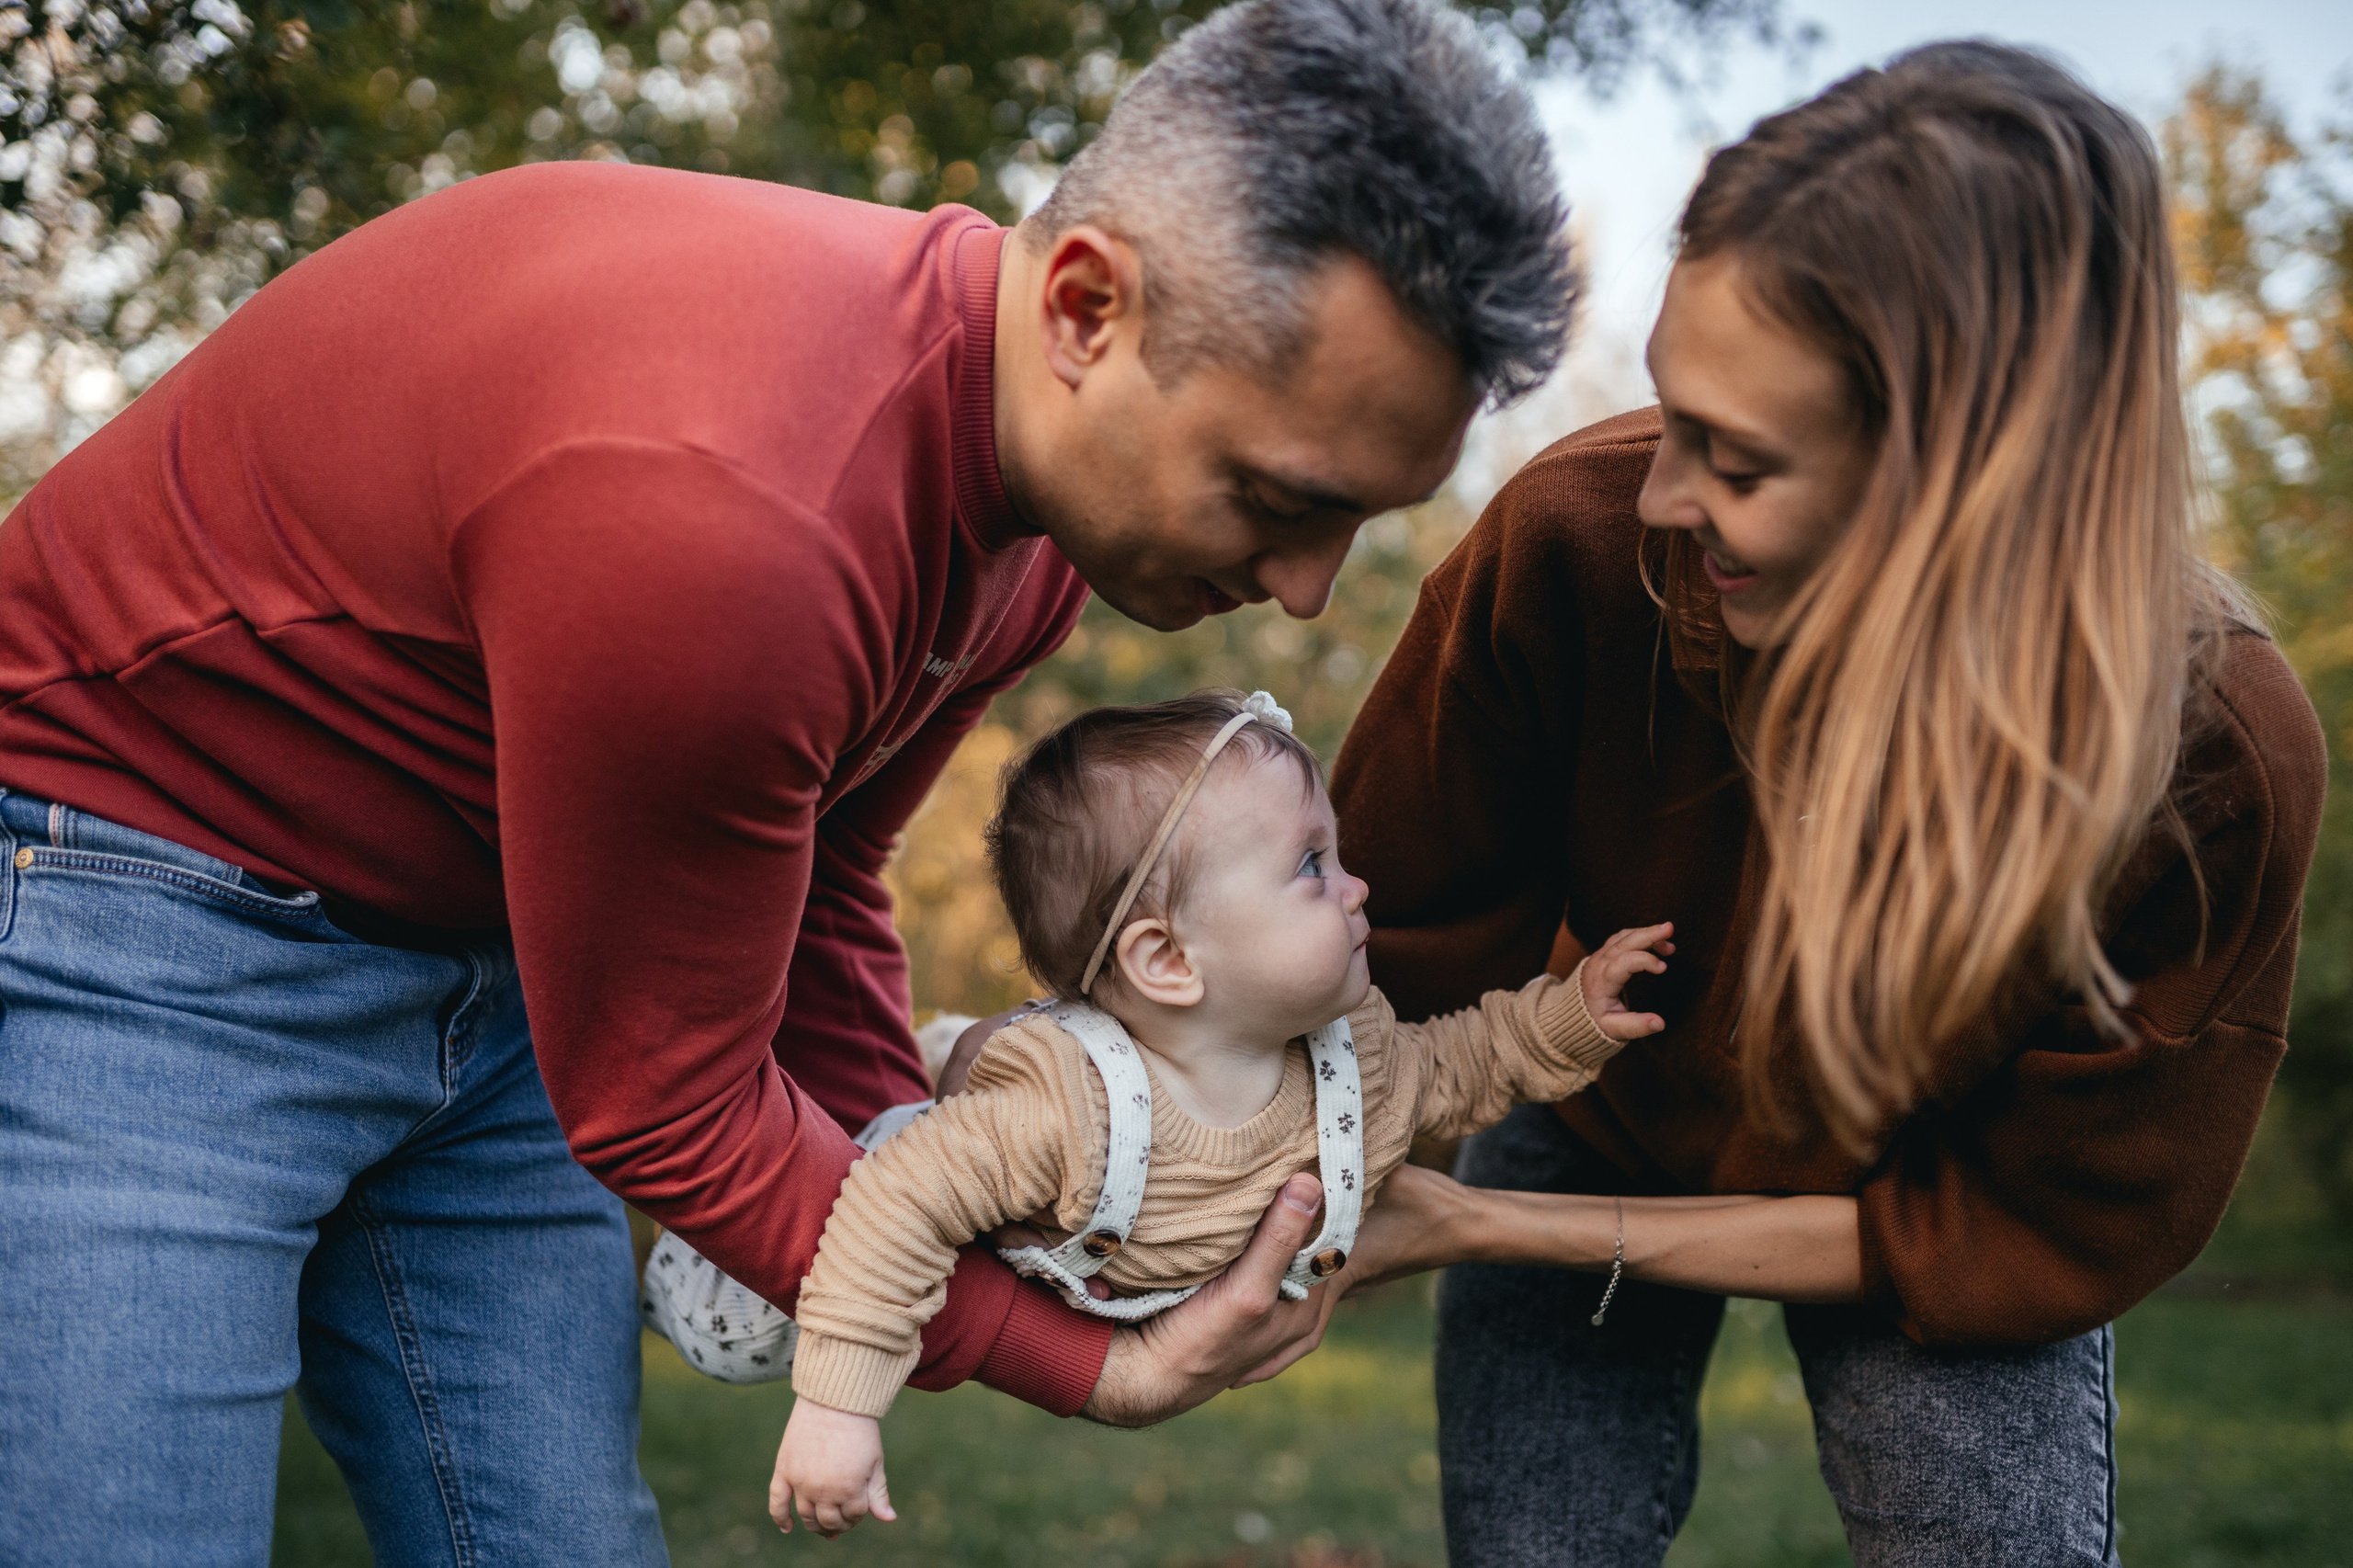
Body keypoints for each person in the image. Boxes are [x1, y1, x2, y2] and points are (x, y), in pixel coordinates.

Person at [0, 0, 1573, 1560]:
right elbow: (670, 1098)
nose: (1308, 588)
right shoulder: (741, 526)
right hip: (138, 906)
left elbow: (817, 878)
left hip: (492, 964)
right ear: (1089, 309)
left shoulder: (1023, 534)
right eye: (1278, 499)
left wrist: (958, 1187)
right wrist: (1086, 1360)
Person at [1327, 40, 2328, 1567]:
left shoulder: (2206, 763)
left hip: (1937, 1186)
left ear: (1970, 487)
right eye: (1672, 415)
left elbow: (2028, 1230)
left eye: (1739, 460)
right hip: (1595, 1096)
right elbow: (1375, 970)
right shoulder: (1574, 553)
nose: (1663, 492)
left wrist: (1482, 1228)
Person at [763, 688, 1671, 1536]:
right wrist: (838, 1408)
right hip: (854, 1236)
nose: (1356, 887)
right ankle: (914, 1068)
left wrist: (1573, 1015)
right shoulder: (1067, 1115)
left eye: (1338, 853)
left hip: (992, 1228)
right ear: (1167, 959)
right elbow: (893, 1209)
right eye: (1312, 865)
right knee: (734, 1318)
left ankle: (940, 1050)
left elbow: (1460, 1062)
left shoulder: (1352, 1055)